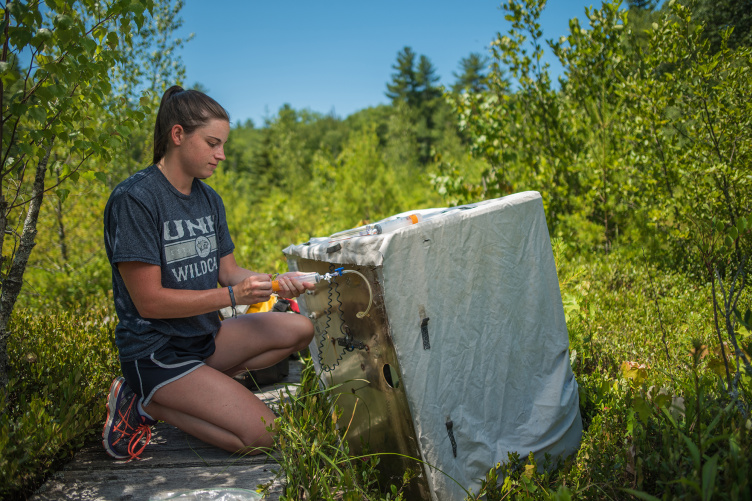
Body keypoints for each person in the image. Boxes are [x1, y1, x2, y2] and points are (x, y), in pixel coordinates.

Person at [101, 85, 314, 461]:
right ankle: (143, 404)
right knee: (266, 436)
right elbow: (149, 303)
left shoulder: (208, 199)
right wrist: (234, 297)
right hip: (156, 352)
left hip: (203, 339)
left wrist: (279, 284)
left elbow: (228, 272)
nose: (222, 155)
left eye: (223, 144)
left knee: (301, 330)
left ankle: (199, 389)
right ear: (178, 135)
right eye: (213, 143)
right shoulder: (135, 199)